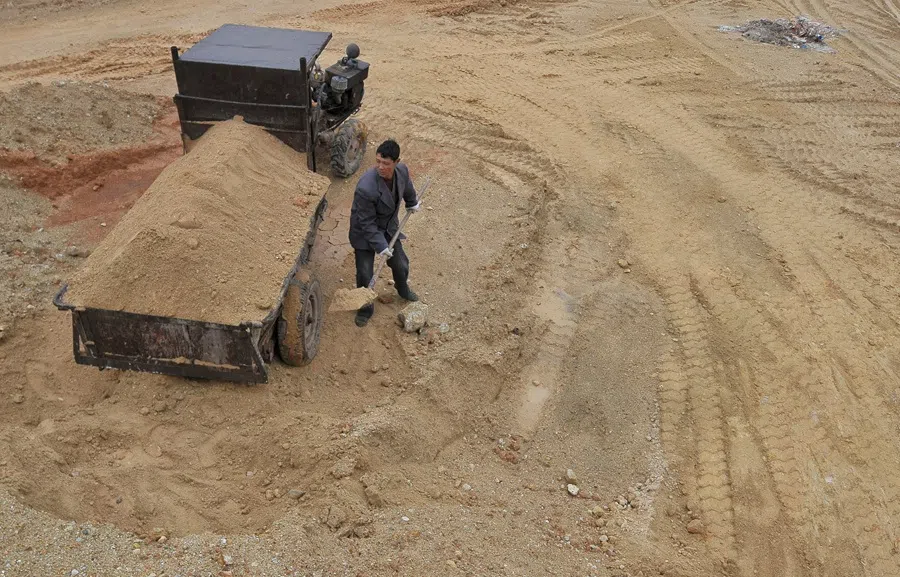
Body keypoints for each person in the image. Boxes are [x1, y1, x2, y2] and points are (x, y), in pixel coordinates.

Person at [348, 139, 421, 327]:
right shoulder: (366, 187)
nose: (380, 167)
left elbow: (407, 188)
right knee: (365, 273)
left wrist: (412, 202)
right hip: (365, 232)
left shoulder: (402, 171)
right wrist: (380, 246)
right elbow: (367, 223)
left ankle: (402, 289)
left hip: (387, 228)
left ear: (396, 162)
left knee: (400, 263)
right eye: (378, 161)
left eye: (386, 163)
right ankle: (365, 308)